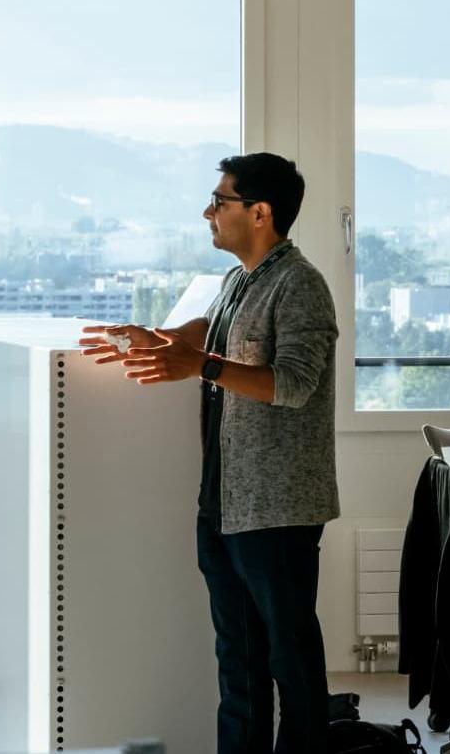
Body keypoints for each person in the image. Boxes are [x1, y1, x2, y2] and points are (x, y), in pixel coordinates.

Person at [80, 153, 338, 754]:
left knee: (291, 662)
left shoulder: (300, 285)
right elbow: (213, 332)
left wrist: (200, 364)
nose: (208, 212)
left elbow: (294, 384)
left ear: (260, 212)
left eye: (219, 201)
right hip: (224, 503)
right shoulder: (239, 280)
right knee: (238, 662)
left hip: (277, 509)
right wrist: (160, 339)